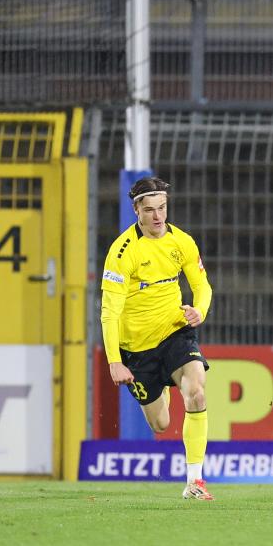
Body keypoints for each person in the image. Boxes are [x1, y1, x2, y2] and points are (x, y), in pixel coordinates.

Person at [100, 177, 214, 500]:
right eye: (149, 210)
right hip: (136, 348)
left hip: (174, 331)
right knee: (161, 423)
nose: (158, 216)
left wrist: (200, 311)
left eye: (162, 208)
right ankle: (162, 383)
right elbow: (109, 312)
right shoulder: (122, 252)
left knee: (196, 392)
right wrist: (114, 361)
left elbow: (202, 286)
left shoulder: (182, 242)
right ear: (136, 210)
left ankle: (195, 481)